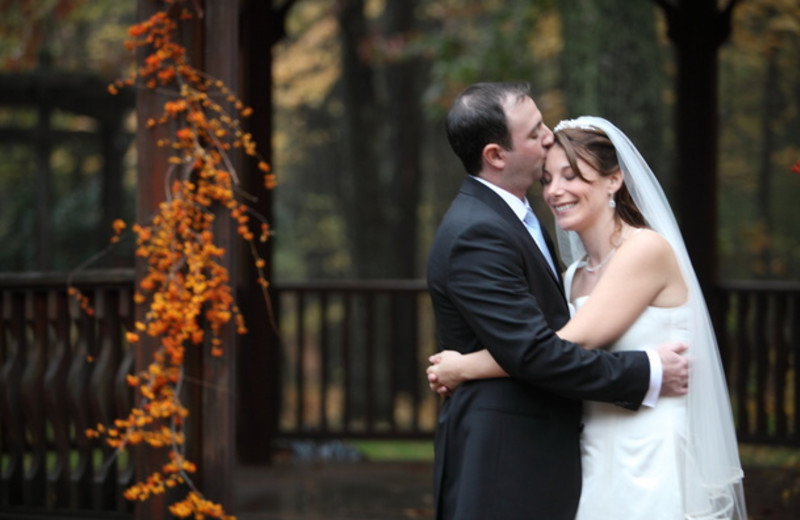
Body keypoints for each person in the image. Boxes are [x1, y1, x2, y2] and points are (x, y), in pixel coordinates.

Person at [427, 115, 746, 519]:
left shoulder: (644, 250)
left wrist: (465, 366)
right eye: (547, 179)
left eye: (572, 176)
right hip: (589, 454)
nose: (556, 191)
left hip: (647, 451)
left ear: (614, 180)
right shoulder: (572, 276)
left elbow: (567, 344)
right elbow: (545, 353)